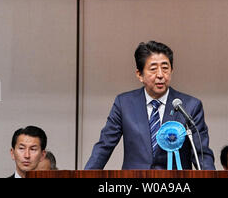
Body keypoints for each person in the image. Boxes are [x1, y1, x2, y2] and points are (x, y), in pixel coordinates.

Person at [85, 40, 215, 170]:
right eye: (153, 69)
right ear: (139, 74)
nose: (160, 75)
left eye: (165, 68)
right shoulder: (124, 104)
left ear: (172, 70)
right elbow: (104, 146)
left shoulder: (189, 106)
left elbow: (202, 154)